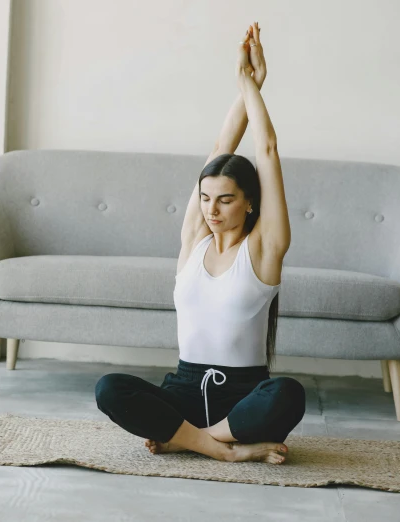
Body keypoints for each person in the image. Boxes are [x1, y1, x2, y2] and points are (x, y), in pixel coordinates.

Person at [95, 22, 306, 464]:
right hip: (183, 390)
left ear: (249, 204)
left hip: (244, 397)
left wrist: (250, 83)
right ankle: (227, 451)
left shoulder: (265, 248)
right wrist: (247, 87)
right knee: (109, 388)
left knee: (287, 394)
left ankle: (194, 440)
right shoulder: (194, 240)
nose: (211, 209)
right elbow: (219, 146)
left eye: (226, 199)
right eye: (206, 197)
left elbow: (266, 148)